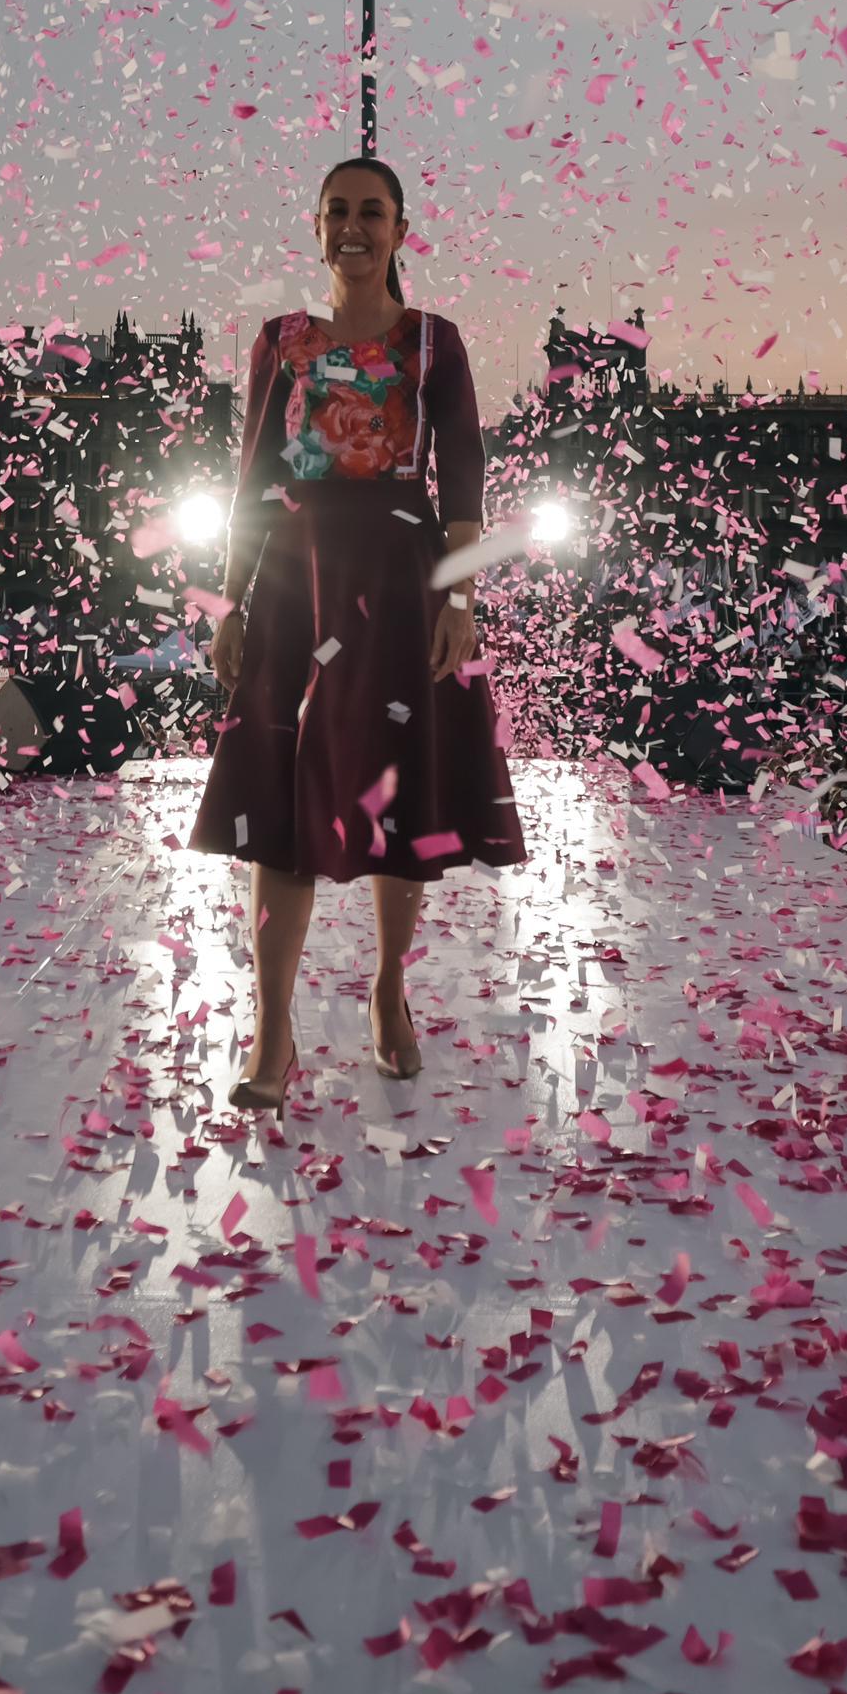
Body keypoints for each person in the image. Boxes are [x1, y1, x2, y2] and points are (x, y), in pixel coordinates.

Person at [189, 155, 528, 1110]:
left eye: (371, 212)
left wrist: (460, 603)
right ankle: (274, 1029)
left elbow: (463, 488)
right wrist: (231, 600)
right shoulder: (281, 341)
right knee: (280, 802)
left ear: (401, 228)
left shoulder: (435, 342)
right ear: (316, 225)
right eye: (338, 210)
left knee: (396, 792)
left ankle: (389, 992)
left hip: (399, 578)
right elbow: (250, 477)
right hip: (295, 579)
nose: (354, 226)